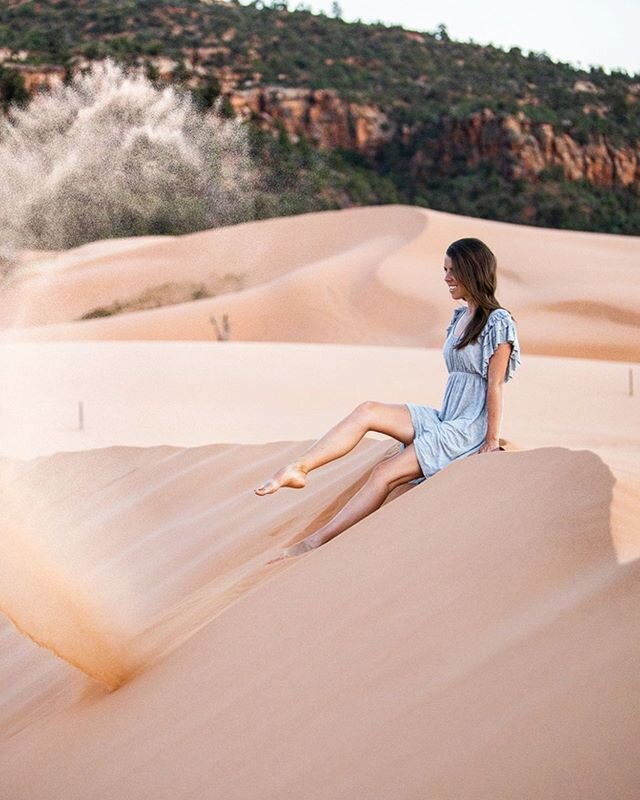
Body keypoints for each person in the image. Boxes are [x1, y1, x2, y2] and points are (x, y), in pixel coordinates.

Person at [255, 237, 521, 563]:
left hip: (467, 428)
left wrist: (491, 442)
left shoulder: (498, 322)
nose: (447, 278)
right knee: (367, 411)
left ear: (472, 270)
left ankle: (316, 543)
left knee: (384, 473)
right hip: (445, 418)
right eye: (445, 270)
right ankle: (297, 468)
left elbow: (495, 385)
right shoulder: (460, 317)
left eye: (453, 270)